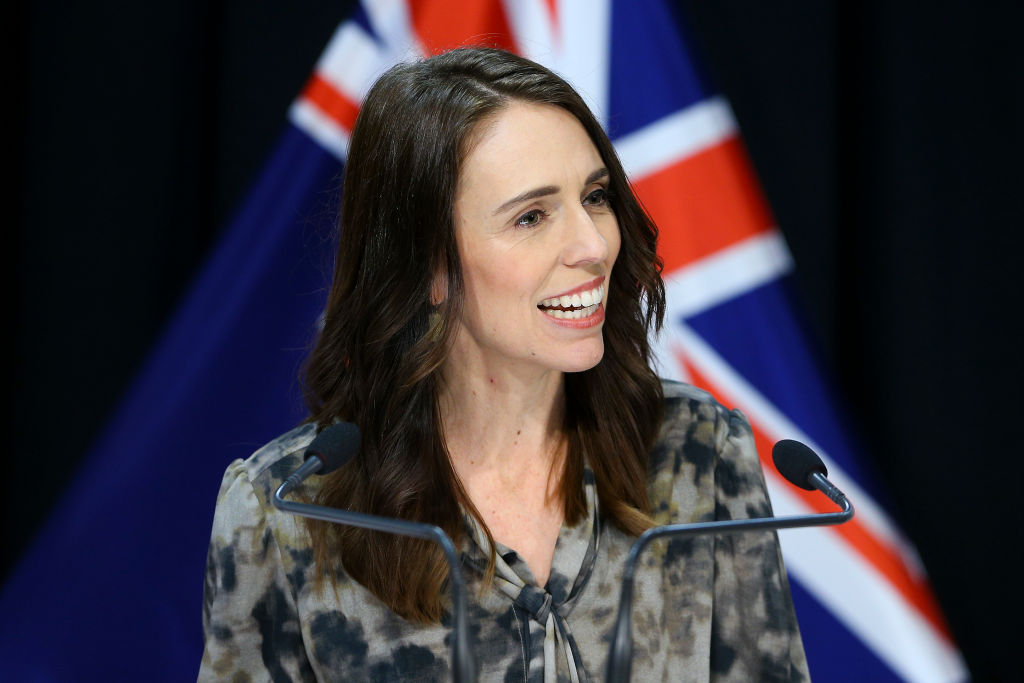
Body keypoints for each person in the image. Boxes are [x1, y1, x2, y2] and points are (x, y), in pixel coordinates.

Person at [199, 47, 808, 682]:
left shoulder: (701, 451)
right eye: (532, 216)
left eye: (595, 196)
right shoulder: (290, 510)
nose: (595, 245)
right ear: (430, 266)